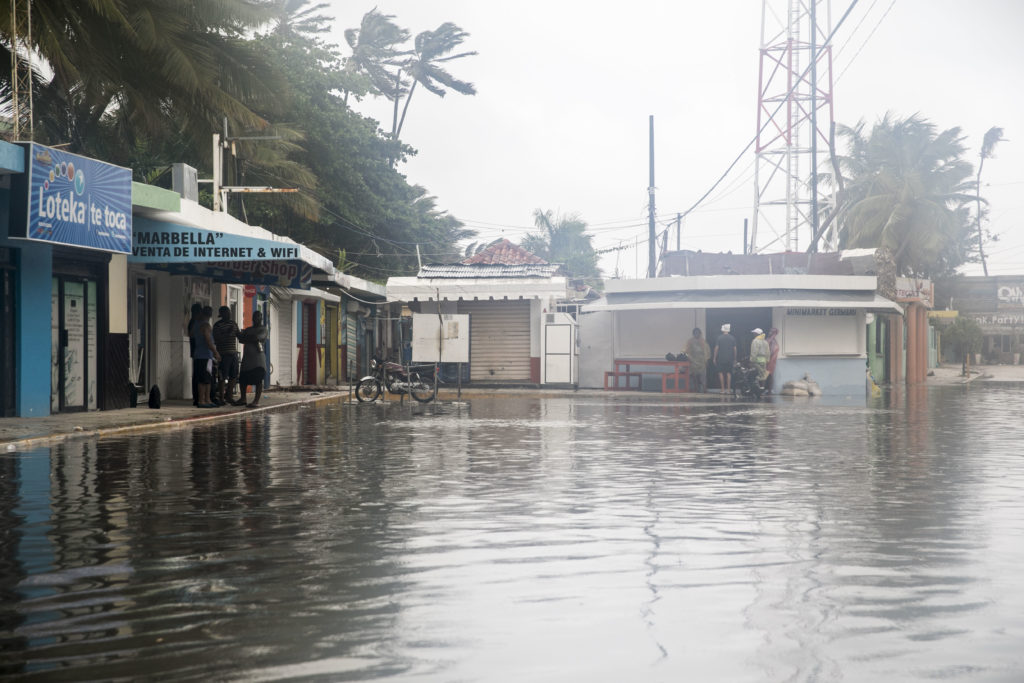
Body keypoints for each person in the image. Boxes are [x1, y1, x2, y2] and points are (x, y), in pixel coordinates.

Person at [236, 310, 268, 408]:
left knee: (258, 380)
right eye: (254, 317)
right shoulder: (249, 329)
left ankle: (256, 401)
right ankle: (243, 399)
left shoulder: (263, 329)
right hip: (247, 360)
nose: (256, 318)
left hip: (258, 361)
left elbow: (256, 338)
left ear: (261, 318)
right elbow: (241, 339)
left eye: (258, 317)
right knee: (243, 379)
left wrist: (246, 336)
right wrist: (239, 333)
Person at [191, 306, 221, 408]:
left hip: (201, 355)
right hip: (204, 356)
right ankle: (202, 400)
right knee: (203, 379)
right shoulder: (206, 326)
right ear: (209, 315)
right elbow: (208, 341)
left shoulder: (196, 324)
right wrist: (216, 352)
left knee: (207, 379)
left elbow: (191, 335)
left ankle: (207, 399)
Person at [213, 306, 241, 404]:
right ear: (222, 314)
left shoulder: (233, 323)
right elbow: (217, 339)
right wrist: (228, 333)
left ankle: (229, 396)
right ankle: (221, 398)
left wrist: (245, 334)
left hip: (233, 353)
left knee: (234, 376)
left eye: (229, 313)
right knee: (222, 376)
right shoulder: (217, 325)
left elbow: (238, 335)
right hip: (223, 354)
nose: (229, 315)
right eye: (227, 313)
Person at [713, 323, 737, 394]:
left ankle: (723, 389)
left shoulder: (719, 338)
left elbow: (716, 348)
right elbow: (735, 349)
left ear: (723, 330)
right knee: (728, 373)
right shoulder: (732, 338)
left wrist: (714, 357)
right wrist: (735, 358)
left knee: (720, 373)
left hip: (721, 358)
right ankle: (729, 390)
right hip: (730, 358)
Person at [684, 327, 710, 393]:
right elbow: (686, 351)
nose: (697, 334)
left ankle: (704, 389)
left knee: (703, 377)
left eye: (698, 333)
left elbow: (707, 351)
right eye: (695, 333)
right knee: (694, 377)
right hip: (693, 362)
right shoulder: (690, 341)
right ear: (693, 334)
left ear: (700, 334)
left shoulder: (703, 341)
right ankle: (696, 389)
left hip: (702, 362)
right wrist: (689, 358)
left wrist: (706, 360)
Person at [186, 303, 203, 407]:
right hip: (197, 352)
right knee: (197, 375)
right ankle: (196, 397)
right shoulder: (194, 322)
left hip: (196, 352)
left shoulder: (194, 322)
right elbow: (191, 335)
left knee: (197, 375)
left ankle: (197, 396)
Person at [765, 327, 780, 393]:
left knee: (769, 375)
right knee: (767, 375)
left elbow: (771, 351)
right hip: (768, 360)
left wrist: (767, 357)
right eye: (770, 331)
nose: (770, 332)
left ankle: (769, 390)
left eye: (772, 331)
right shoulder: (769, 339)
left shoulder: (773, 341)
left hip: (770, 360)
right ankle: (767, 389)